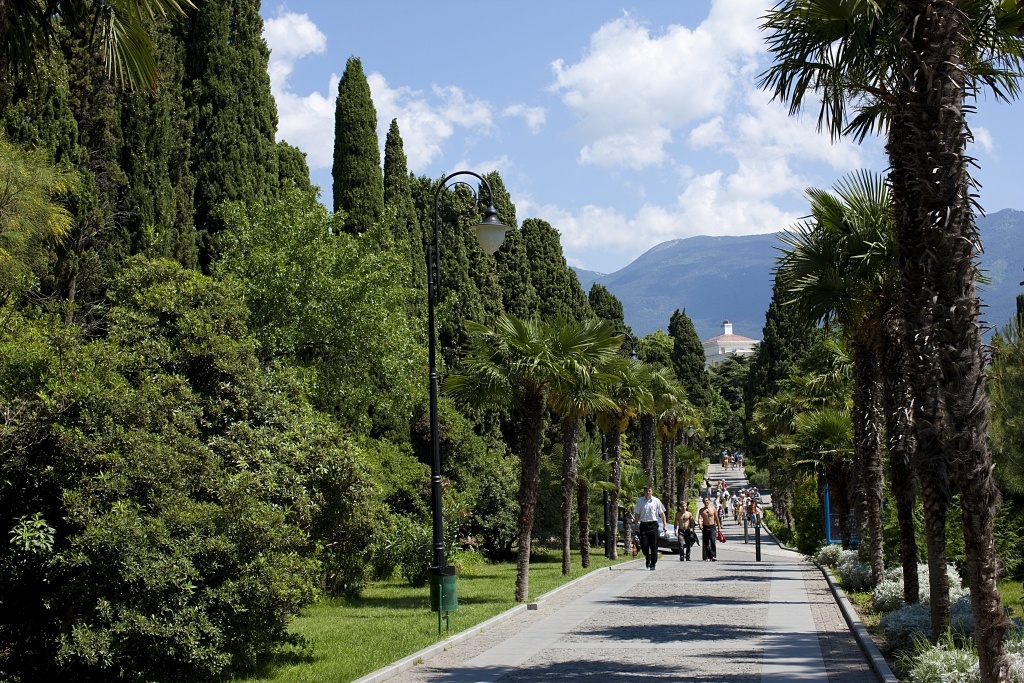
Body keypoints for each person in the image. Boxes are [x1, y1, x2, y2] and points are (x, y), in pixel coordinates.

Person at [633, 485, 668, 570]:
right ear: (644, 492)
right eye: (646, 491)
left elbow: (662, 513)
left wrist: (664, 524)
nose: (648, 493)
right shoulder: (640, 501)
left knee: (654, 545)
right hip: (644, 525)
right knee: (644, 545)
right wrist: (636, 525)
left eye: (649, 491)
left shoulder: (656, 501)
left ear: (652, 491)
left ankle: (653, 564)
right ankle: (647, 556)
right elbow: (637, 513)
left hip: (653, 525)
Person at [698, 497, 721, 561]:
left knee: (713, 541)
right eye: (705, 501)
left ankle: (713, 556)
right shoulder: (701, 510)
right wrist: (700, 524)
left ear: (709, 501)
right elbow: (699, 518)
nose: (706, 502)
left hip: (712, 526)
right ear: (703, 502)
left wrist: (719, 527)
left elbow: (716, 518)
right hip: (705, 527)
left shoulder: (713, 509)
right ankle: (708, 556)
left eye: (707, 500)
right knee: (706, 543)